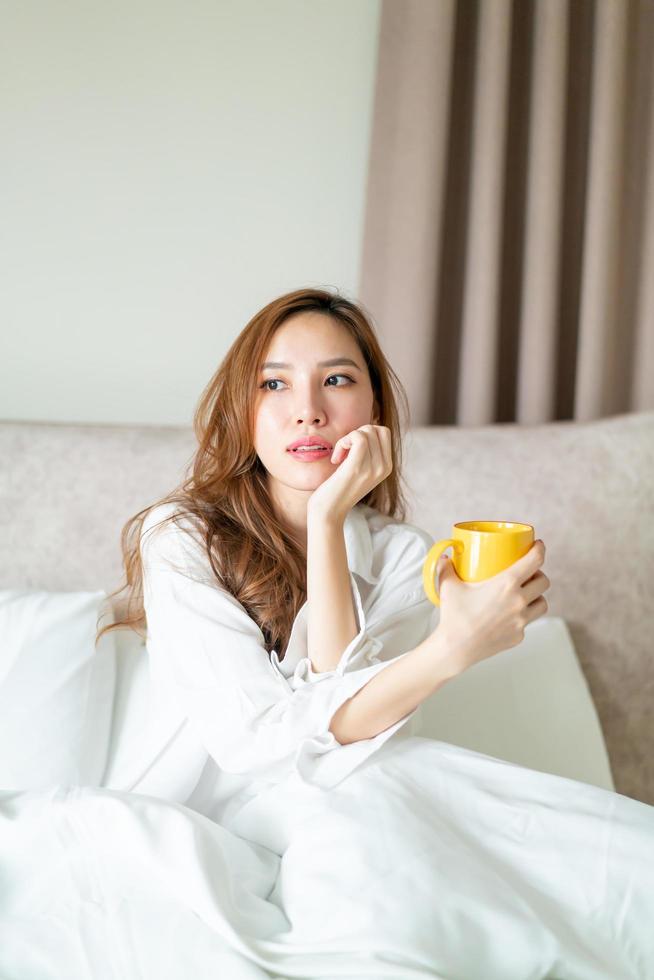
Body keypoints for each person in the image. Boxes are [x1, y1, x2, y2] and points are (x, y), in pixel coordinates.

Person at [4, 287, 650, 980]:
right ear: (242, 411)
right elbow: (259, 740)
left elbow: (346, 737)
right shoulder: (183, 536)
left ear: (373, 408)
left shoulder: (403, 555)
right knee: (388, 786)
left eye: (337, 380)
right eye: (274, 384)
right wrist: (448, 651)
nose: (308, 409)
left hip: (344, 812)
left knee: (402, 795)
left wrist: (331, 524)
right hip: (204, 816)